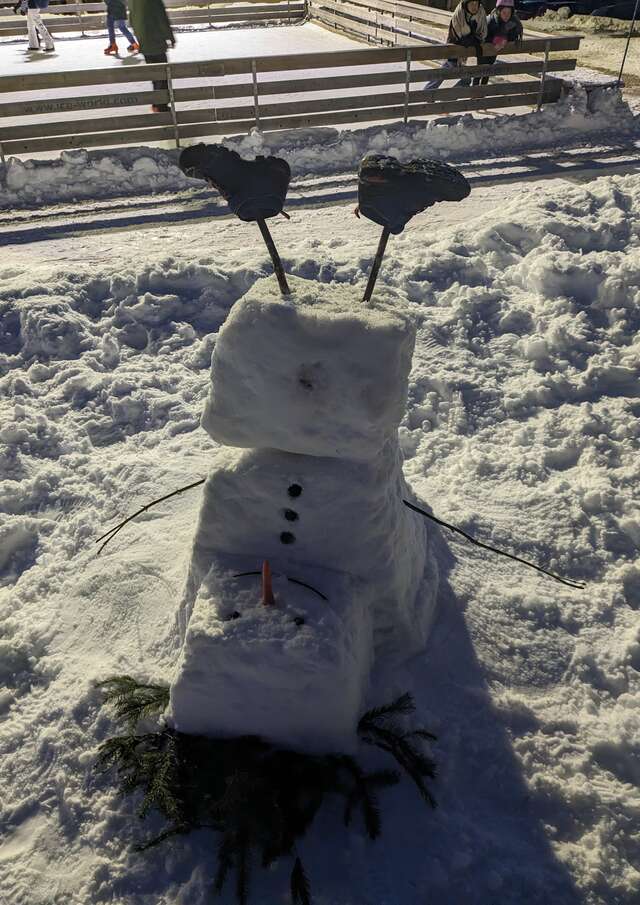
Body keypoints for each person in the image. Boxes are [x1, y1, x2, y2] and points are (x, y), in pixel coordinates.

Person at [424, 0, 487, 91]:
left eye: (476, 3)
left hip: (470, 51)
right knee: (447, 72)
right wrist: (470, 39)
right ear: (466, 4)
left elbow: (482, 33)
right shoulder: (459, 12)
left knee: (464, 79)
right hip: (455, 47)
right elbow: (456, 32)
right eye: (471, 3)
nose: (474, 6)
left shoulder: (481, 13)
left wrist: (474, 39)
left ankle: (445, 97)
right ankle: (429, 93)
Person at [128, 0, 175, 112]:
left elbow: (131, 20)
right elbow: (161, 18)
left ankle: (156, 103)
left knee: (154, 75)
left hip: (144, 43)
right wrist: (170, 37)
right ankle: (160, 105)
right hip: (156, 41)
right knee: (162, 75)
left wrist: (139, 37)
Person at [476, 0, 523, 85]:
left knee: (488, 69)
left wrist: (506, 38)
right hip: (484, 49)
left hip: (495, 50)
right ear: (499, 11)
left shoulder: (514, 22)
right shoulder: (490, 21)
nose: (506, 15)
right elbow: (482, 36)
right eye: (504, 12)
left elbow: (514, 35)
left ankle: (482, 91)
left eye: (509, 13)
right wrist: (496, 41)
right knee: (480, 69)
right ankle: (474, 89)